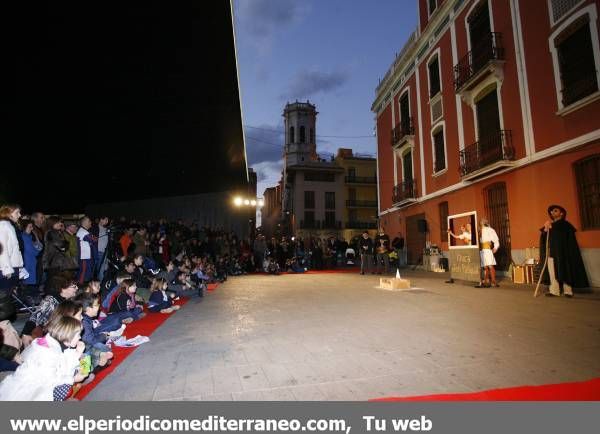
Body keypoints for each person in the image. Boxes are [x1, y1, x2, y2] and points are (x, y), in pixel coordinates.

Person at [0, 315, 84, 401]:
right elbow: (50, 379)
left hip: (41, 379)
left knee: (78, 368)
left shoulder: (56, 343)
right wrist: (73, 379)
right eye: (78, 335)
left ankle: (73, 388)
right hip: (29, 390)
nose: (80, 337)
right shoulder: (48, 352)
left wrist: (77, 355)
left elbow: (65, 362)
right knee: (64, 388)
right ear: (68, 336)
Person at [540, 205, 589, 297]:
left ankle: (568, 291)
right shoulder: (550, 225)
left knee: (566, 269)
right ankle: (554, 290)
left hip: (564, 253)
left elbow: (570, 241)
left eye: (555, 211)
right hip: (552, 252)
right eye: (551, 211)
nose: (552, 212)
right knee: (552, 271)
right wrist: (546, 229)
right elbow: (544, 239)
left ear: (561, 213)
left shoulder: (566, 225)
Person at [0, 204, 24, 294]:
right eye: (17, 212)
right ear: (8, 213)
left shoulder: (10, 226)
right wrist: (6, 268)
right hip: (6, 270)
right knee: (4, 298)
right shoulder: (3, 225)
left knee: (9, 297)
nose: (20, 215)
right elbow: (2, 249)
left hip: (12, 268)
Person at [476, 218, 500, 288]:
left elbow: (495, 239)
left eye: (482, 221)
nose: (481, 222)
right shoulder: (479, 231)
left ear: (485, 222)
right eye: (481, 221)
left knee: (490, 265)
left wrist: (495, 247)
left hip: (487, 249)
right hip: (481, 250)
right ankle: (487, 280)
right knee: (485, 266)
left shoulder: (490, 229)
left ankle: (493, 281)